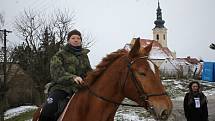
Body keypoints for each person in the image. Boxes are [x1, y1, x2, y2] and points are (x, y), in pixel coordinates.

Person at [39, 29, 92, 121]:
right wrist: (73, 77)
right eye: (73, 38)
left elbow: (89, 72)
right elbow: (56, 73)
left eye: (78, 38)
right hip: (62, 88)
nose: (76, 40)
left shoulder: (84, 56)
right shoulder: (59, 55)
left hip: (81, 88)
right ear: (68, 40)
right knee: (48, 109)